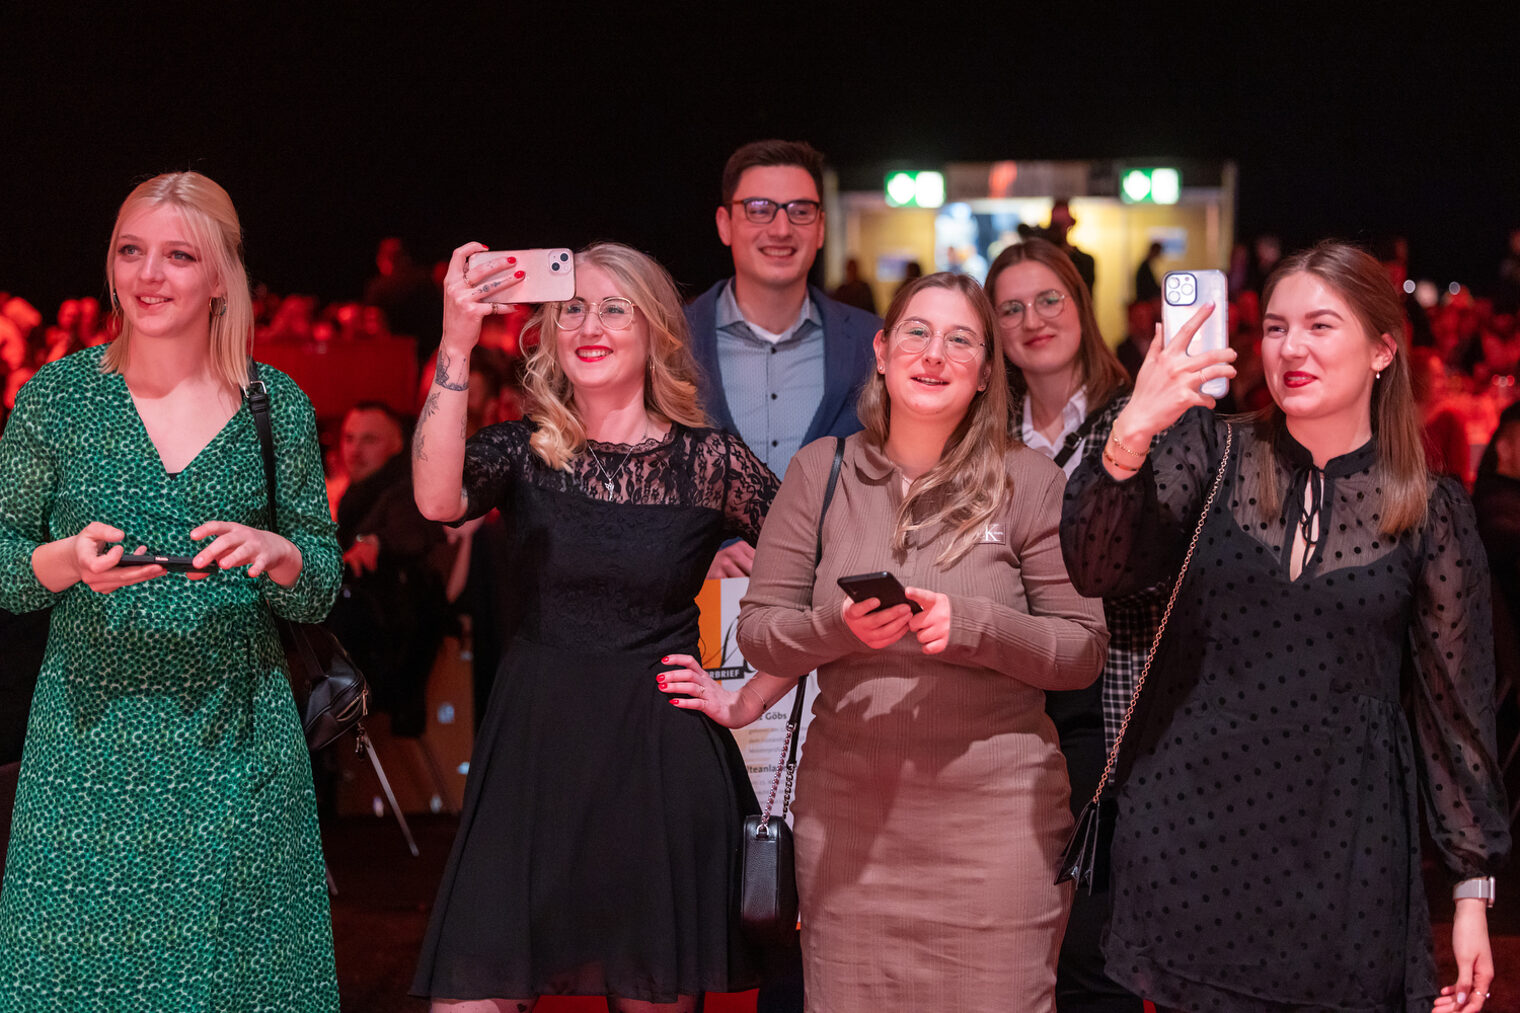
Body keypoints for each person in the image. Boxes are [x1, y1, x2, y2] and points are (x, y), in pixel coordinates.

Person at [1060, 241, 1509, 1013]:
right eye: (1273, 327)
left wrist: (1471, 894)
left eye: (1319, 325)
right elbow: (1097, 567)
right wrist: (1133, 430)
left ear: (1382, 349)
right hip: (1193, 844)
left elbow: (1456, 717)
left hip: (1344, 860)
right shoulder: (1208, 449)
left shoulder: (1429, 510)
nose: (1290, 347)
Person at [714, 272, 1108, 1011]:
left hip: (998, 830)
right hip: (851, 829)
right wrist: (838, 627)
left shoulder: (1030, 481)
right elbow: (760, 631)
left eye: (961, 339)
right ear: (883, 351)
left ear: (988, 371)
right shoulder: (821, 471)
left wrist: (976, 627)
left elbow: (1082, 646)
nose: (936, 353)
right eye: (918, 333)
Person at [0, 171, 341, 1011]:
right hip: (87, 759)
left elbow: (322, 583)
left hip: (238, 754)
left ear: (221, 275)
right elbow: (7, 565)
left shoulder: (274, 404)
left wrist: (278, 553)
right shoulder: (58, 398)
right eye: (131, 251)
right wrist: (67, 561)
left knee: (241, 985)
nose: (149, 276)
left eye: (178, 255)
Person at [409, 240, 779, 1012]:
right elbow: (438, 499)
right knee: (469, 996)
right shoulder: (522, 448)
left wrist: (750, 696)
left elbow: (817, 565)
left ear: (656, 332)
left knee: (651, 993)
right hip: (535, 753)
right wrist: (454, 337)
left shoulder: (710, 462)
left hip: (660, 758)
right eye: (570, 307)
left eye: (615, 307)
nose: (589, 324)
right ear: (546, 331)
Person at [986, 237, 1154, 1013]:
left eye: (1048, 298)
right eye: (1011, 307)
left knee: (1096, 953)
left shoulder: (1144, 417)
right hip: (1004, 712)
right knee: (1010, 947)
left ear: (1081, 308)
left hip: (1114, 709)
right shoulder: (980, 437)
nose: (1033, 319)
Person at [685, 139, 880, 579]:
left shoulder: (873, 342)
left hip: (838, 613)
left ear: (822, 227)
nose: (780, 229)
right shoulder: (669, 342)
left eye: (800, 210)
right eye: (759, 209)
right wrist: (692, 561)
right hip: (700, 618)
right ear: (725, 223)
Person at [327, 401, 449, 737]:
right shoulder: (359, 492)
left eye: (369, 440)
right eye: (349, 439)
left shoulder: (405, 486)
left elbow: (410, 530)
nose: (354, 450)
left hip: (384, 654)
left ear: (397, 445)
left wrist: (377, 542)